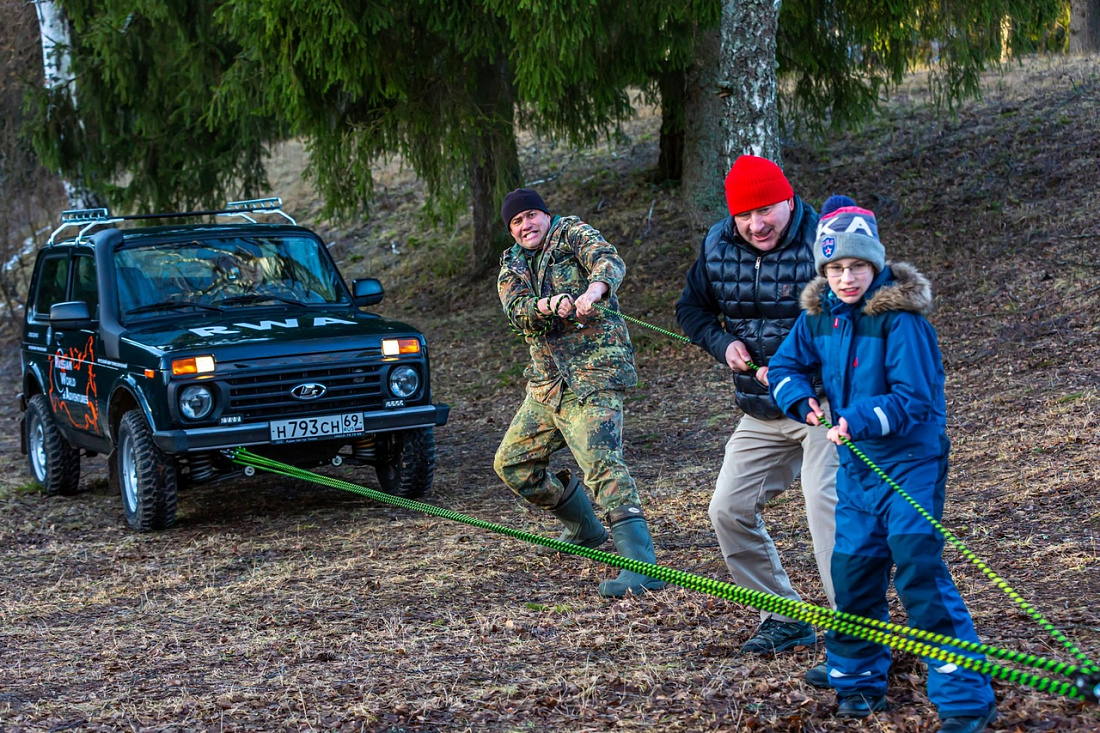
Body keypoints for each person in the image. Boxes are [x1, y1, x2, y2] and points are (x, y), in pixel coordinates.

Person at [766, 197, 997, 732]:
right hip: (856, 466)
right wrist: (803, 401)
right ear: (824, 270)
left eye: (857, 266)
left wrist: (859, 419)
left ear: (876, 265)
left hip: (910, 459)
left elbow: (915, 398)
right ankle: (857, 677)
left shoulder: (900, 320)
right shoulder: (819, 315)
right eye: (836, 268)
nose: (847, 278)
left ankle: (964, 696)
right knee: (854, 567)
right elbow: (784, 366)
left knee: (917, 564)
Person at [675, 155, 838, 655]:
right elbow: (691, 309)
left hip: (823, 406)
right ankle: (784, 616)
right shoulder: (719, 245)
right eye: (745, 215)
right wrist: (721, 343)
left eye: (766, 209)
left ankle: (854, 629)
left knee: (826, 510)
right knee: (728, 509)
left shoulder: (826, 242)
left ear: (788, 199)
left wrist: (795, 366)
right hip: (760, 410)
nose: (756, 224)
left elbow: (857, 315)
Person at [494, 188, 666, 598]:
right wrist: (549, 305)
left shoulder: (572, 234)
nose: (525, 225)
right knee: (513, 464)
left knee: (602, 465)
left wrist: (593, 292)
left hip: (594, 375)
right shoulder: (511, 265)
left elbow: (608, 261)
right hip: (547, 385)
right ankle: (585, 529)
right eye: (517, 222)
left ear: (546, 216)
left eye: (532, 216)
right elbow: (517, 312)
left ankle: (641, 567)